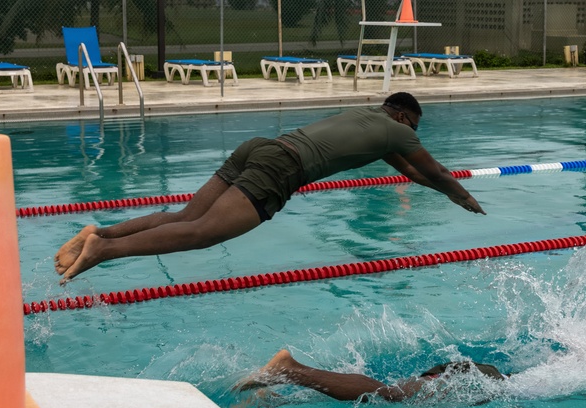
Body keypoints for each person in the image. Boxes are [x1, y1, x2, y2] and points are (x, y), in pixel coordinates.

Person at [54, 92, 485, 282]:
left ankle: (98, 233)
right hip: (281, 169)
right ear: (405, 118)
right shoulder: (401, 132)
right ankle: (103, 251)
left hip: (260, 148)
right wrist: (465, 198)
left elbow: (413, 174)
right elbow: (435, 172)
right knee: (201, 234)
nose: (413, 136)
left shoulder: (369, 119)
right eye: (414, 128)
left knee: (186, 216)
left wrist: (445, 193)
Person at [235, 349, 586, 404]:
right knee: (389, 395)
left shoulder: (572, 366)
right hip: (481, 378)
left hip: (480, 375)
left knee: (389, 394)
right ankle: (291, 371)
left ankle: (281, 390)